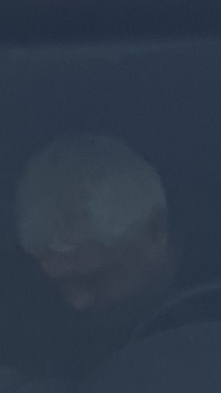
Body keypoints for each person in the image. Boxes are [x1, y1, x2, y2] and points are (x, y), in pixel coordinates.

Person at [14, 131, 180, 331]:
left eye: (93, 279)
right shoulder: (35, 324)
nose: (77, 303)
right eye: (59, 284)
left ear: (155, 230)